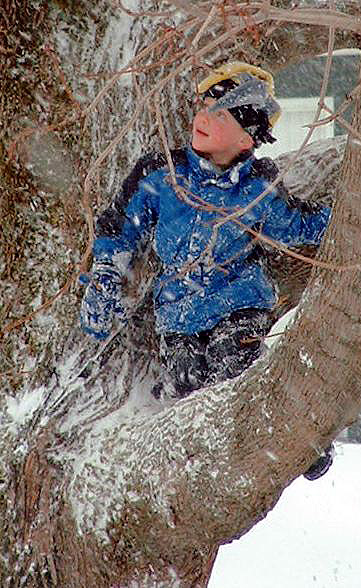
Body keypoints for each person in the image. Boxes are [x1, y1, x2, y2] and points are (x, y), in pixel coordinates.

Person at [80, 62, 333, 480]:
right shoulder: (161, 175)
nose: (202, 119)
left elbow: (295, 224)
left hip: (238, 303)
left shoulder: (258, 188)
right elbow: (120, 228)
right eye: (202, 108)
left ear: (247, 138)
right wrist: (106, 276)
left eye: (218, 115)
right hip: (177, 313)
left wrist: (341, 221)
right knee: (188, 385)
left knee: (239, 374)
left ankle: (302, 439)